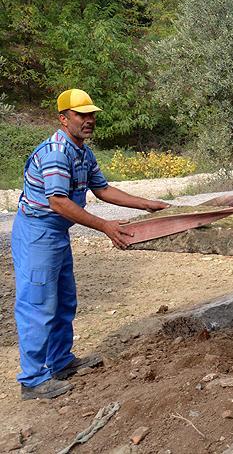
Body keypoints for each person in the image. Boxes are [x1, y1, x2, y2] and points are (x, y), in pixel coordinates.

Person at [11, 89, 170, 400]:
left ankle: (60, 361)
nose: (89, 120)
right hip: (38, 232)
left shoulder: (82, 151)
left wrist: (146, 204)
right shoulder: (58, 152)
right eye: (81, 115)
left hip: (56, 233)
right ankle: (32, 379)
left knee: (64, 300)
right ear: (63, 118)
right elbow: (57, 201)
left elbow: (103, 189)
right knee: (38, 304)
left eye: (92, 114)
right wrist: (104, 226)